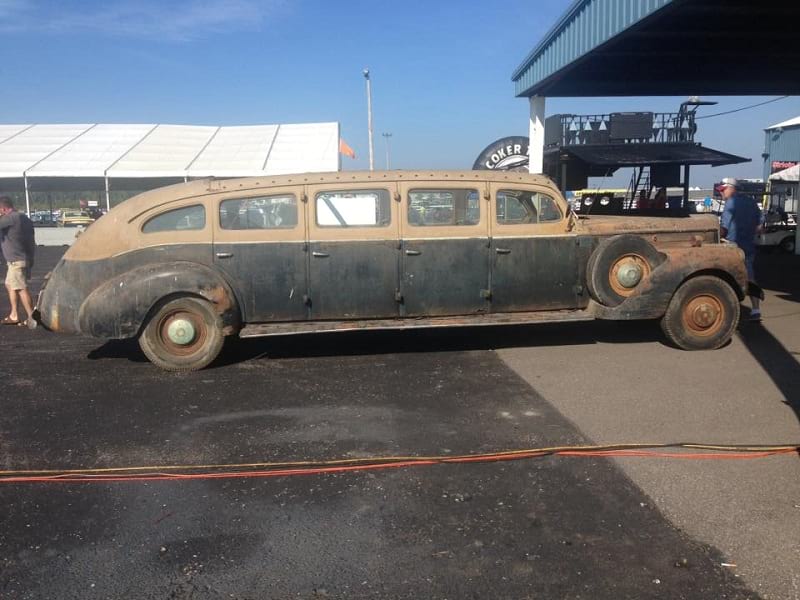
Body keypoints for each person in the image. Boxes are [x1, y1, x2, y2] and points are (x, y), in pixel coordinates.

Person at [719, 178, 765, 321]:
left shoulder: (730, 203)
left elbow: (724, 229)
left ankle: (725, 309)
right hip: (749, 245)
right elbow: (760, 227)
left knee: (724, 276)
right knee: (750, 276)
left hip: (732, 247)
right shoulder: (752, 202)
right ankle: (756, 309)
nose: (721, 193)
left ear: (732, 188)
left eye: (723, 189)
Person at [0, 196, 36, 326]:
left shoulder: (9, 218)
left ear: (3, 209)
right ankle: (14, 315)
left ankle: (32, 317)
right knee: (10, 284)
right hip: (23, 258)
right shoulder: (24, 218)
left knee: (21, 288)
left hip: (16, 260)